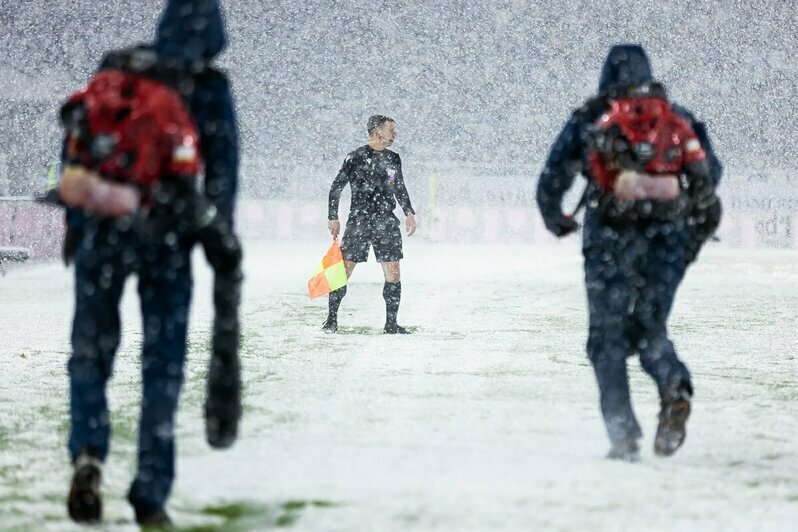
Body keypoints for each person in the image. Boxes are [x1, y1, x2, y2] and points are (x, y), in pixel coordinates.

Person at [63, 0, 241, 526]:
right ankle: (150, 489)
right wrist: (219, 236)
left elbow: (78, 151)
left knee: (90, 352)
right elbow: (223, 173)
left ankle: (89, 451)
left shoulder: (118, 69)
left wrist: (79, 227)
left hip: (102, 231)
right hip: (167, 240)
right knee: (162, 362)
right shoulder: (208, 88)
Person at [536, 44, 722, 462]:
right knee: (648, 326)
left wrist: (558, 218)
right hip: (669, 238)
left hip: (609, 239)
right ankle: (673, 382)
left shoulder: (591, 118)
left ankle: (623, 434)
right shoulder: (677, 117)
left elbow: (552, 176)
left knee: (607, 338)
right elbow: (712, 172)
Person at [325, 115, 417, 334]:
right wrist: (333, 216)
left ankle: (391, 324)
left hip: (386, 221)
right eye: (391, 130)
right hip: (360, 221)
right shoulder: (355, 157)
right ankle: (331, 320)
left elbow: (399, 187)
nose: (394, 134)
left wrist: (408, 212)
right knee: (343, 271)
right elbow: (336, 187)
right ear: (378, 132)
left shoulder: (393, 158)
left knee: (393, 273)